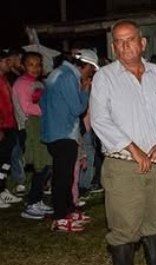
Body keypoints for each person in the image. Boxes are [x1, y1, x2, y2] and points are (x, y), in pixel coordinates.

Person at [90, 19, 156, 265]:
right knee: (124, 227)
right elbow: (100, 120)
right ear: (113, 47)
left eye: (130, 40)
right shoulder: (105, 77)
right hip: (123, 165)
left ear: (143, 43)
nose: (125, 46)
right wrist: (133, 149)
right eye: (119, 41)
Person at [40, 49, 98, 231]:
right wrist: (85, 91)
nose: (92, 73)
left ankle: (68, 211)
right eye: (92, 69)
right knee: (63, 178)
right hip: (63, 133)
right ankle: (59, 217)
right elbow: (78, 108)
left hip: (55, 132)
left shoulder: (57, 74)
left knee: (65, 175)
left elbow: (43, 103)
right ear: (86, 65)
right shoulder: (68, 77)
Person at [14, 51, 53, 219]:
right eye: (31, 64)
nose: (35, 68)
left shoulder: (38, 83)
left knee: (45, 165)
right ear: (23, 66)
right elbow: (27, 108)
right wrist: (50, 109)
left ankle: (36, 199)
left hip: (40, 128)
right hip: (30, 129)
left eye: (38, 64)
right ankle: (32, 204)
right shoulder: (22, 84)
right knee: (41, 165)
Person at [0, 49, 21, 209]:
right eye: (6, 61)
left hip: (10, 125)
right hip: (2, 127)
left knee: (5, 160)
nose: (9, 64)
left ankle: (2, 189)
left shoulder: (5, 79)